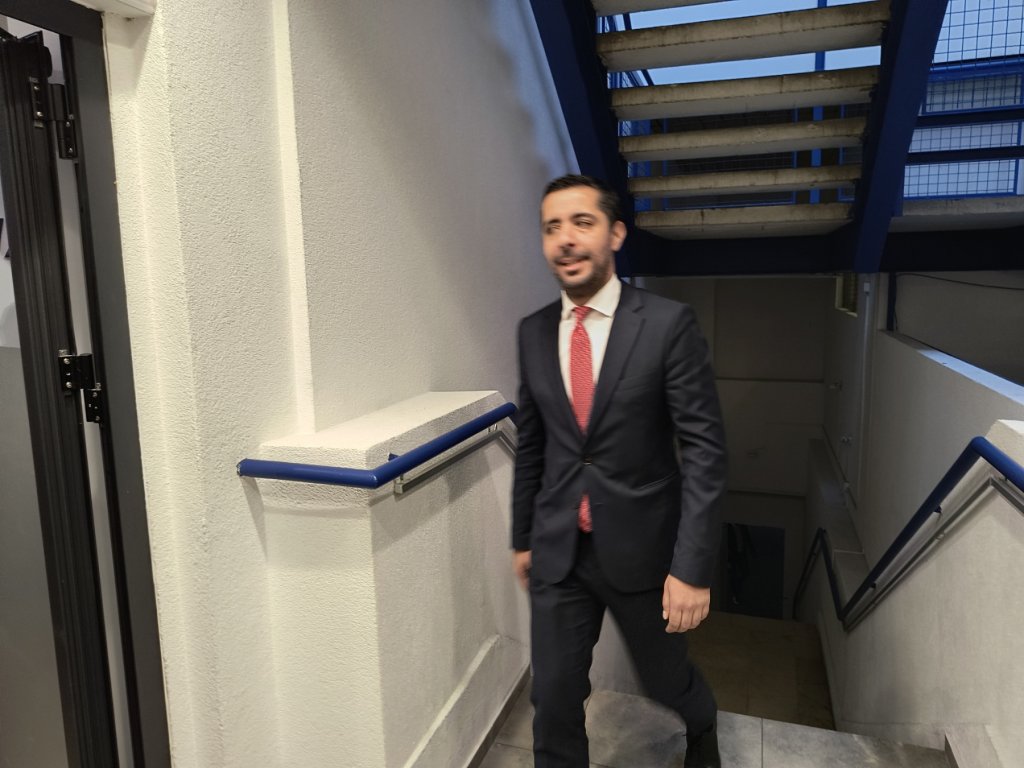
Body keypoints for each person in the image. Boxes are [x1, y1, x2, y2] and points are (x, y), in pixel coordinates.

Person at [511, 174, 727, 768]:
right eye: (552, 227)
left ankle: (704, 729)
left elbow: (704, 450)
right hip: (560, 549)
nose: (565, 239)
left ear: (616, 234)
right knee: (554, 696)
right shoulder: (533, 332)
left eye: (582, 223)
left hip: (645, 551)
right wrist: (523, 537)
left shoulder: (666, 324)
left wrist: (691, 569)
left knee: (667, 684)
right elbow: (533, 444)